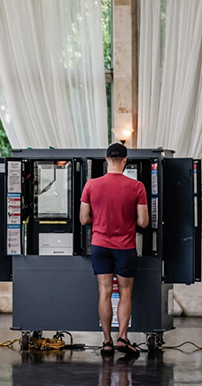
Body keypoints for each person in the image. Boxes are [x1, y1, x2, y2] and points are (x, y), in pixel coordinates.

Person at [80, 143, 148, 358]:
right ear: (125, 160)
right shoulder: (137, 187)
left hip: (100, 245)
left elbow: (83, 219)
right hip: (125, 247)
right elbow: (144, 222)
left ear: (106, 159)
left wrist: (99, 220)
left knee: (104, 291)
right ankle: (122, 338)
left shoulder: (91, 185)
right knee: (125, 292)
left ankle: (107, 341)